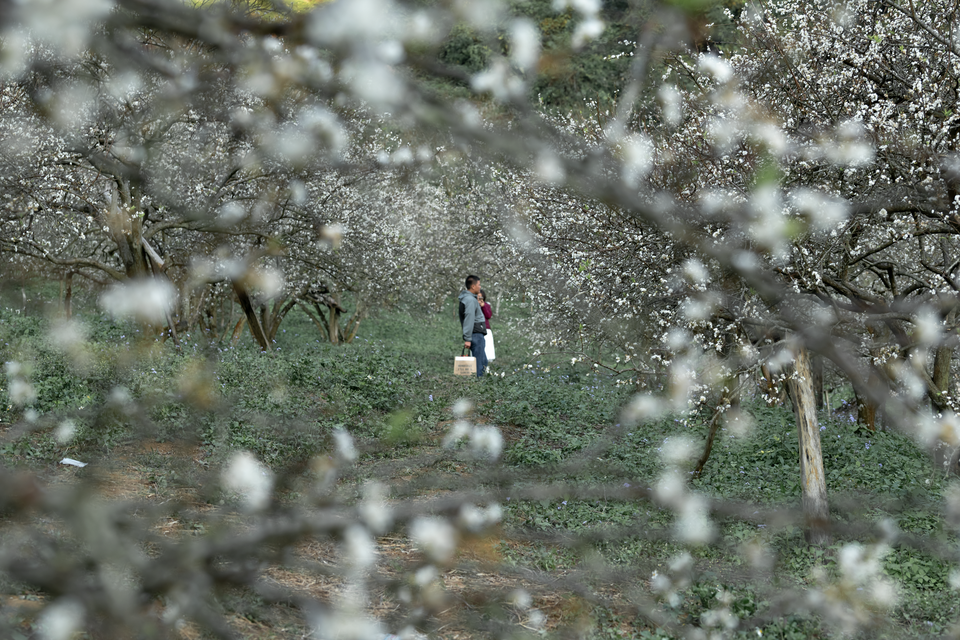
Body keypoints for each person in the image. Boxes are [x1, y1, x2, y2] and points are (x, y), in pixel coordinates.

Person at [458, 275, 488, 377]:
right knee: (480, 364)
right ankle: (480, 387)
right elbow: (469, 319)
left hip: (476, 334)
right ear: (473, 286)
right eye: (479, 285)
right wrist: (467, 339)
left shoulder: (469, 299)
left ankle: (481, 386)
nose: (480, 287)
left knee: (483, 362)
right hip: (475, 334)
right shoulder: (470, 300)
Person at [479, 290, 495, 362]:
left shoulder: (486, 305)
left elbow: (488, 316)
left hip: (486, 328)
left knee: (487, 347)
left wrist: (483, 306)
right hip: (476, 328)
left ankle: (486, 363)